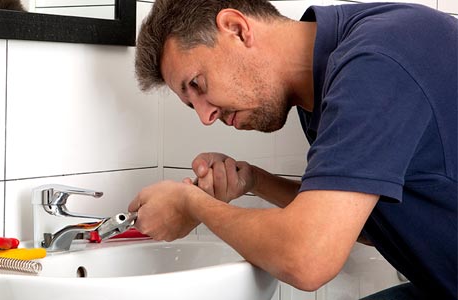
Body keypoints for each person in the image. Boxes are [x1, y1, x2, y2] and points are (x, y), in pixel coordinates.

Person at [129, 0, 457, 299]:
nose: (205, 117)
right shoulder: (323, 85)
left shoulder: (375, 63)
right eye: (191, 105)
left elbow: (307, 258)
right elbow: (367, 227)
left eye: (198, 84)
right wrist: (254, 182)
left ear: (237, 29)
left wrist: (192, 204)